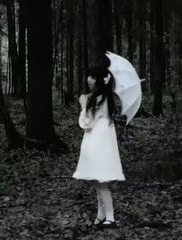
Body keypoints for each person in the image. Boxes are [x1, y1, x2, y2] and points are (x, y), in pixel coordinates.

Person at [72, 66, 125, 228]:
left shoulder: (101, 99)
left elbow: (86, 123)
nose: (89, 79)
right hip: (95, 142)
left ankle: (110, 217)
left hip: (99, 144)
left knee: (101, 182)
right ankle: (101, 214)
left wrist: (83, 105)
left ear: (101, 81)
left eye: (93, 77)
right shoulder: (99, 98)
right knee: (96, 181)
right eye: (89, 76)